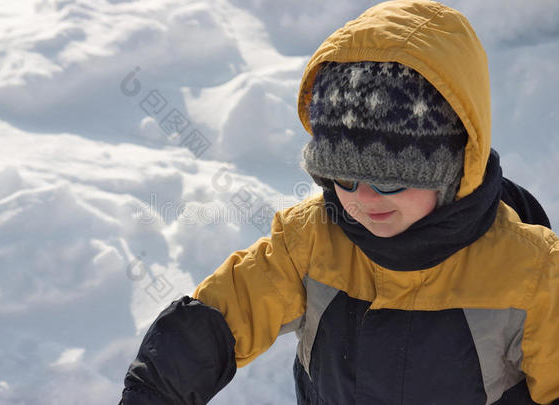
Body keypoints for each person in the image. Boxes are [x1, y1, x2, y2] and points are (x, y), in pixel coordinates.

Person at [120, 0, 558, 404]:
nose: (363, 200)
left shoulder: (531, 275)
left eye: (391, 181)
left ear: (452, 171)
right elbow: (222, 316)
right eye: (343, 178)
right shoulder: (310, 239)